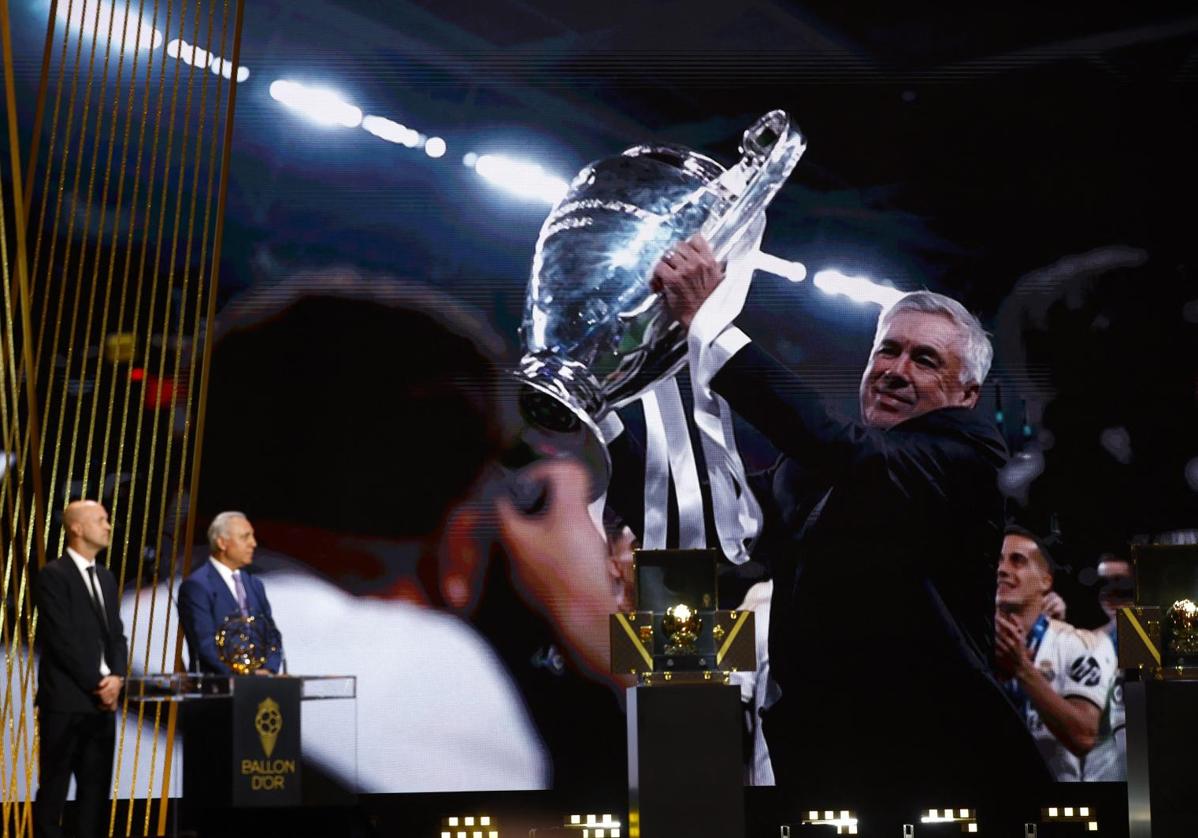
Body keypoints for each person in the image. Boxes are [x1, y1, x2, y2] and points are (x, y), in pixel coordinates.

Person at [652, 236, 1048, 814]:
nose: (894, 370)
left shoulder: (966, 455)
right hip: (822, 768)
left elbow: (841, 450)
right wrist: (608, 416)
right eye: (886, 351)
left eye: (924, 359)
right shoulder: (811, 470)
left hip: (940, 771)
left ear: (967, 395)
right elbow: (704, 514)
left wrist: (711, 324)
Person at [34, 500, 129, 838]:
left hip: (103, 704)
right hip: (66, 701)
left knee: (95, 793)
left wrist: (117, 678)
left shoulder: (105, 576)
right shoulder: (53, 575)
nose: (108, 526)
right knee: (54, 788)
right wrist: (98, 682)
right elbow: (61, 640)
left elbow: (116, 635)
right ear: (76, 528)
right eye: (101, 520)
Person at [995, 527, 1117, 780]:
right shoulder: (971, 640)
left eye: (1017, 561)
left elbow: (1083, 736)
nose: (1002, 569)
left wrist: (1022, 669)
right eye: (999, 560)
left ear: (1045, 581)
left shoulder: (1079, 644)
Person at [177, 512, 282, 675]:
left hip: (260, 688)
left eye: (252, 537)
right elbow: (205, 643)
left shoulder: (255, 585)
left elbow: (271, 634)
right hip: (219, 689)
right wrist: (247, 674)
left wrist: (269, 669)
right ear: (222, 543)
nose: (253, 543)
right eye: (245, 537)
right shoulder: (197, 586)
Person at [1080, 556, 1132, 780]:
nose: (1109, 594)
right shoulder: (1084, 645)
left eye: (1121, 584)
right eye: (1103, 585)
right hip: (1103, 768)